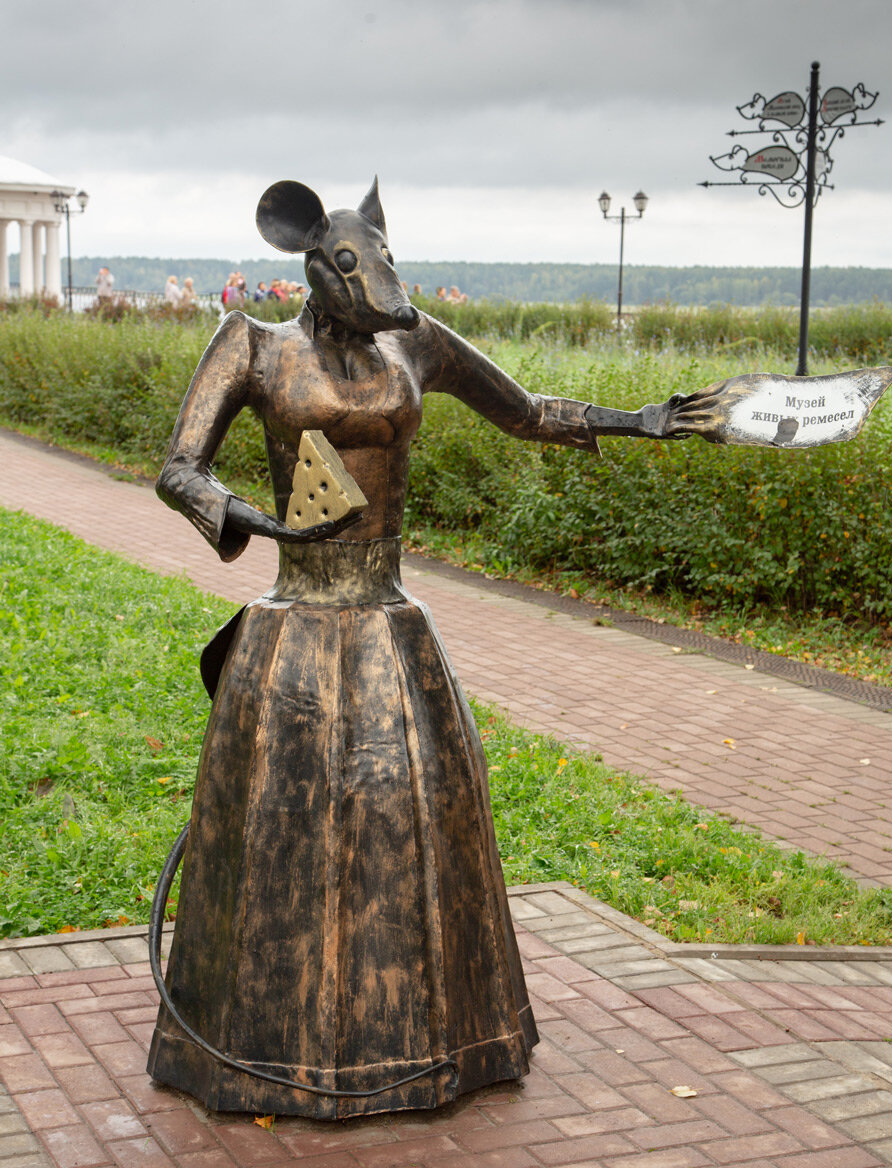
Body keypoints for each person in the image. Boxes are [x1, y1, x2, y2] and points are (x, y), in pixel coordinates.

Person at [146, 178, 710, 1121]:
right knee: (284, 827)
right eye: (349, 266)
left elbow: (526, 411)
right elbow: (179, 469)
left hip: (388, 614)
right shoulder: (251, 345)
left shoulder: (416, 343)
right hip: (296, 617)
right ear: (308, 262)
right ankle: (256, 1045)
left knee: (411, 812)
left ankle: (439, 1036)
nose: (374, 285)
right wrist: (242, 515)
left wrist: (636, 419)